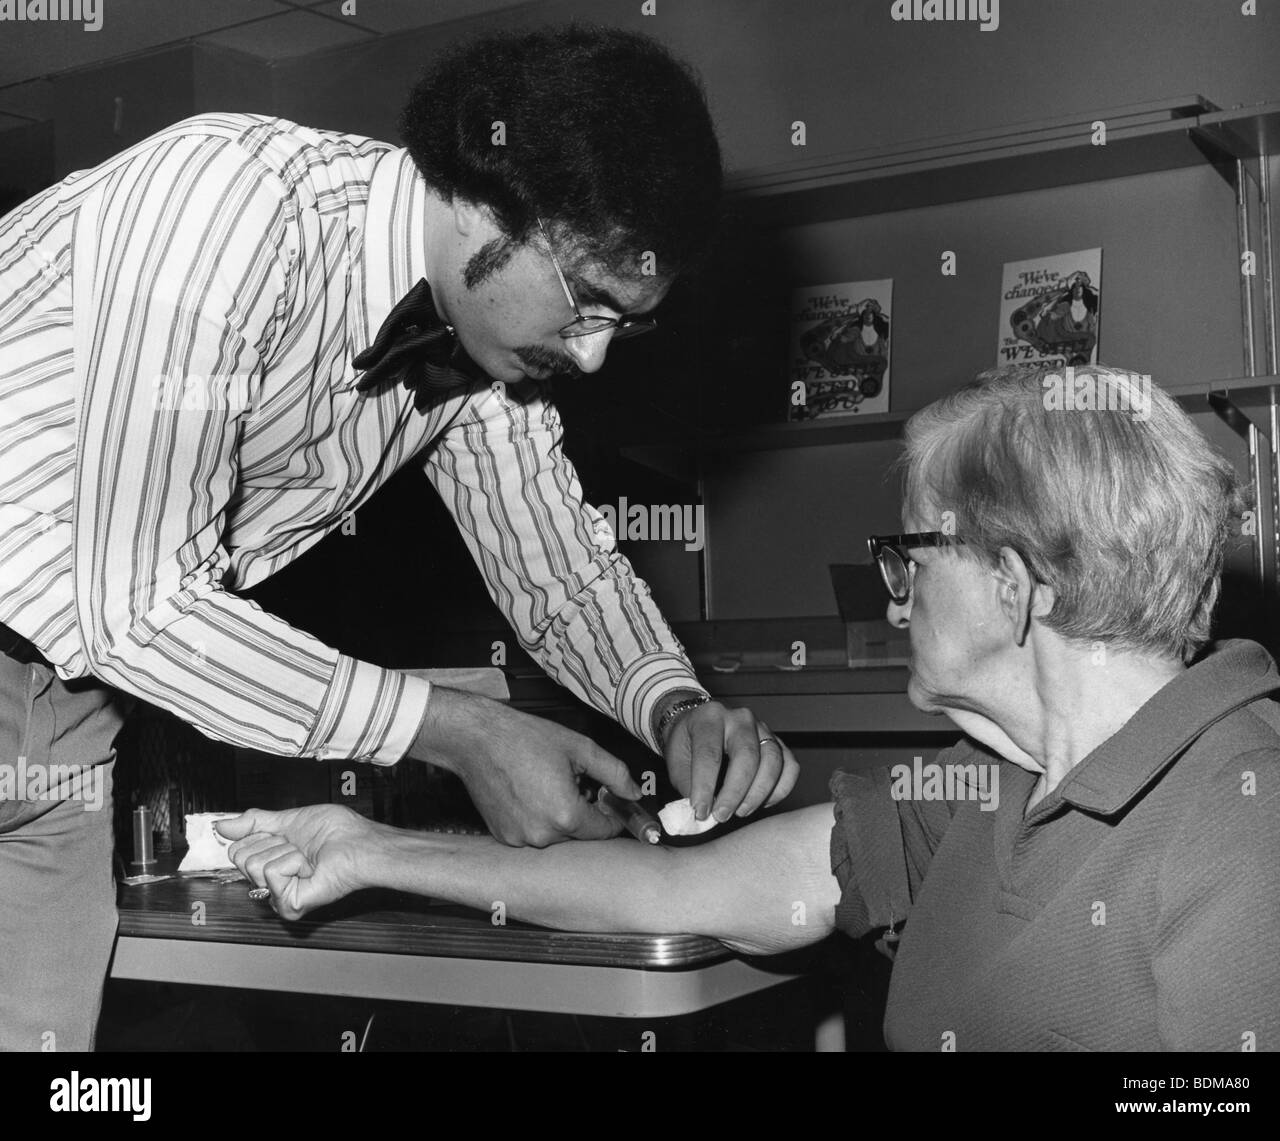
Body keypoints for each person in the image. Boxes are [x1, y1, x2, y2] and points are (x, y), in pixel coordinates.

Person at [0, 25, 798, 1051]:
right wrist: (457, 731)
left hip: (66, 716)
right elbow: (138, 603)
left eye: (626, 325)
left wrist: (670, 702)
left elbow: (559, 571)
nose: (595, 357)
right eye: (590, 302)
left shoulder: (483, 349)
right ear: (483, 201)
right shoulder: (227, 209)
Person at [226, 364, 1280, 1051]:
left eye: (907, 550)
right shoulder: (992, 783)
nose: (892, 589)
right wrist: (369, 850)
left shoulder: (1250, 816)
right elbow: (670, 889)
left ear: (1013, 584)